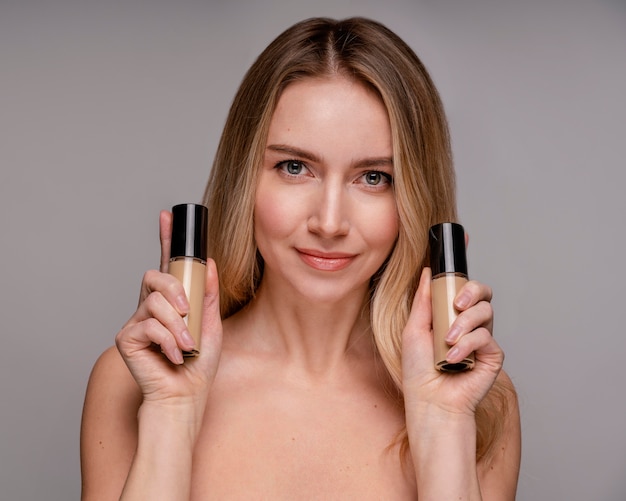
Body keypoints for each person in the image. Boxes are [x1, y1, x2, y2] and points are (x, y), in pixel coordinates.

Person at [80, 16, 520, 500]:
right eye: (294, 167)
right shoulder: (129, 383)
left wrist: (444, 423)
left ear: (412, 199)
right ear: (245, 177)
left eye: (373, 177)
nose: (329, 222)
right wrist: (171, 410)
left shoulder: (481, 405)